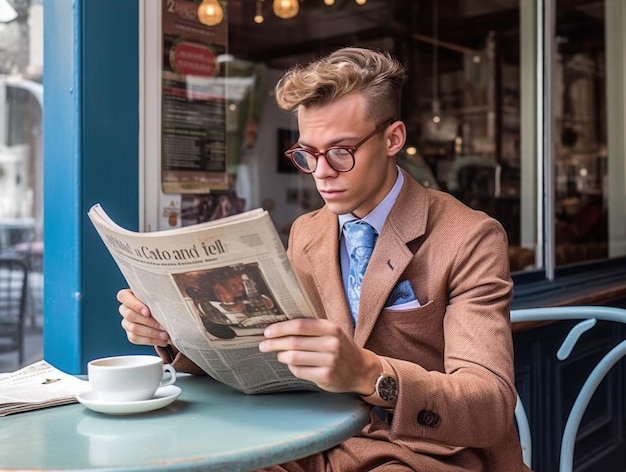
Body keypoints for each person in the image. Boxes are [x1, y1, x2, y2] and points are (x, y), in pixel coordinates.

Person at [117, 47, 529, 471]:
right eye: (307, 154)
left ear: (393, 139)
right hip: (310, 441)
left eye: (340, 151)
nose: (321, 172)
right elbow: (266, 361)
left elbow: (490, 404)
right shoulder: (307, 231)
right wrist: (172, 331)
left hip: (423, 452)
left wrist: (369, 374)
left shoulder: (470, 237)